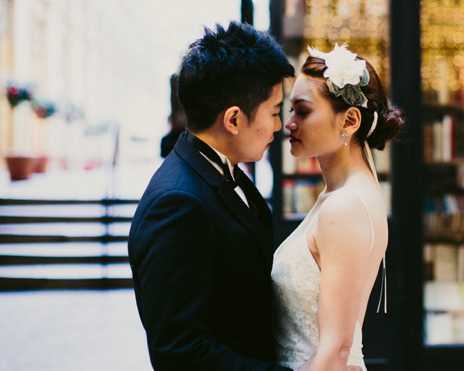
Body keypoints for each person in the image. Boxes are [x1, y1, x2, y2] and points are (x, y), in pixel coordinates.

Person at [128, 21, 296, 370]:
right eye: (275, 112)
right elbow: (180, 352)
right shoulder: (178, 204)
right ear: (233, 119)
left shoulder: (220, 169)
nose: (279, 126)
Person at [272, 44, 404, 370]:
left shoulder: (345, 206)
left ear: (349, 120)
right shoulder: (346, 195)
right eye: (289, 110)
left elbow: (335, 352)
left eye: (302, 111)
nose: (288, 123)